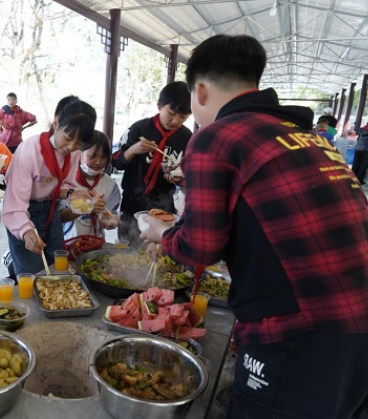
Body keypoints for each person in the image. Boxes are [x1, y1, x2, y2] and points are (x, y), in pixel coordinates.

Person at [140, 34, 368, 419]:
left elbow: (200, 247)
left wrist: (159, 232)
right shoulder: (308, 138)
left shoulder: (216, 136)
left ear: (199, 91)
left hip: (302, 330)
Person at [3, 96, 96, 275]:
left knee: (56, 260)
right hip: (24, 211)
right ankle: (14, 264)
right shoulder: (30, 150)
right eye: (68, 137)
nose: (71, 146)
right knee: (31, 270)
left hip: (50, 209)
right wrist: (26, 231)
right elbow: (15, 200)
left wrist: (72, 193)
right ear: (56, 122)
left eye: (78, 143)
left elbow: (63, 184)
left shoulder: (73, 153)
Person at [111, 81, 192, 247]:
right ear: (159, 106)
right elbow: (117, 162)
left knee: (157, 255)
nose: (175, 121)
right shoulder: (139, 129)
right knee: (126, 249)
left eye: (182, 117)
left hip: (163, 207)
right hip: (132, 204)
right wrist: (133, 150)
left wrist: (178, 177)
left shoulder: (186, 137)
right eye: (172, 113)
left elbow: (187, 174)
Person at [59, 130, 121, 239]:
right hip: (65, 244)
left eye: (104, 157)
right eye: (93, 156)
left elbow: (109, 216)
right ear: (80, 153)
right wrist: (87, 207)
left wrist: (108, 221)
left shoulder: (111, 187)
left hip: (96, 245)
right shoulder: (65, 181)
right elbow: (59, 217)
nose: (98, 162)